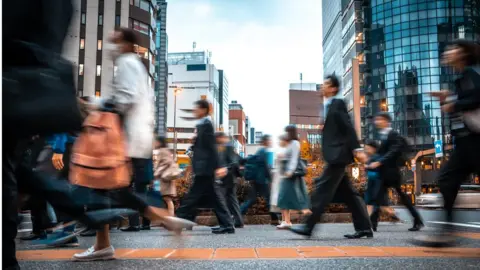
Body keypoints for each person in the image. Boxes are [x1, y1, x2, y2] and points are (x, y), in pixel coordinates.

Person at [73, 28, 194, 261]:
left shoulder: (127, 63)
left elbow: (126, 98)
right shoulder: (135, 65)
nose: (110, 45)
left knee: (104, 188)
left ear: (127, 44)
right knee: (109, 190)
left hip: (123, 139)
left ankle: (161, 220)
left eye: (115, 40)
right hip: (133, 138)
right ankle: (105, 243)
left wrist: (98, 105)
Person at [289, 75, 372, 239]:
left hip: (338, 156)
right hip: (335, 156)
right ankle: (364, 228)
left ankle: (308, 227)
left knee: (322, 191)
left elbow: (348, 127)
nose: (322, 87)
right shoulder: (326, 107)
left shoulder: (337, 104)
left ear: (333, 88)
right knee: (350, 195)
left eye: (326, 84)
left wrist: (357, 148)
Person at [416, 40, 480, 246]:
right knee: (446, 180)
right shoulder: (462, 77)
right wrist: (448, 98)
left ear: (462, 53)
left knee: (447, 180)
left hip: (475, 141)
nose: (448, 51)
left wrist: (453, 102)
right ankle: (447, 231)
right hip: (465, 143)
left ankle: (446, 232)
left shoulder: (471, 73)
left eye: (453, 49)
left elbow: (477, 97)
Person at [176, 100, 232, 233]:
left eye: (196, 108)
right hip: (204, 167)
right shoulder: (203, 124)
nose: (194, 111)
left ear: (203, 109)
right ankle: (227, 224)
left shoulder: (206, 124)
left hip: (206, 167)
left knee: (193, 196)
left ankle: (178, 220)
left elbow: (212, 147)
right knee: (213, 197)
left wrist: (218, 166)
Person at [368, 112, 424, 232]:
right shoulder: (383, 135)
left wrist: (379, 162)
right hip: (384, 173)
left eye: (380, 119)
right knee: (377, 197)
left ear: (387, 121)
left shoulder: (393, 135)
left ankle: (417, 220)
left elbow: (393, 151)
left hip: (392, 173)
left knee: (402, 197)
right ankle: (372, 223)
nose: (377, 122)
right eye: (377, 120)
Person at [240, 135, 281, 225]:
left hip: (257, 179)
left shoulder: (260, 151)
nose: (271, 142)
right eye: (270, 140)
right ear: (265, 141)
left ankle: (238, 215)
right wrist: (270, 179)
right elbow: (265, 167)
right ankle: (274, 219)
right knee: (268, 199)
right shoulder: (263, 151)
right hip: (261, 180)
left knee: (252, 199)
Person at [276, 126, 311, 229]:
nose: (285, 134)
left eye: (286, 132)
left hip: (290, 174)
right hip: (286, 174)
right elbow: (289, 157)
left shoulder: (295, 143)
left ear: (290, 132)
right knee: (284, 197)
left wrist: (290, 171)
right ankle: (286, 221)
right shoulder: (290, 144)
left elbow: (294, 159)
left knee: (285, 196)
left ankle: (306, 214)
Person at [363, 140, 400, 232]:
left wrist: (367, 166)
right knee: (373, 204)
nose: (366, 150)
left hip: (377, 183)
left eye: (367, 148)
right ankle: (370, 223)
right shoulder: (374, 157)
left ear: (373, 148)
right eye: (365, 148)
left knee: (376, 204)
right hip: (373, 183)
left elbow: (375, 168)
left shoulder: (377, 157)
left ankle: (371, 223)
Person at [212, 132, 244, 232]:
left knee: (219, 200)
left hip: (227, 178)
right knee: (232, 200)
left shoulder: (227, 146)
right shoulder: (227, 146)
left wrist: (225, 169)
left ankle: (226, 223)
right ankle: (237, 221)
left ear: (221, 138)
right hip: (230, 178)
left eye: (217, 139)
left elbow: (233, 161)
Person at [152, 136, 179, 217]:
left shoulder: (162, 151)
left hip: (163, 179)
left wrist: (156, 172)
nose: (154, 143)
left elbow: (165, 163)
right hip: (164, 179)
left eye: (156, 141)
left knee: (166, 199)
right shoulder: (165, 150)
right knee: (165, 199)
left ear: (159, 142)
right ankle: (168, 217)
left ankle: (170, 217)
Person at [269, 135, 288, 216]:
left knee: (280, 195)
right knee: (278, 195)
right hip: (278, 176)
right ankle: (283, 218)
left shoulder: (286, 150)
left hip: (282, 176)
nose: (279, 142)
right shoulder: (280, 150)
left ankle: (285, 219)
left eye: (280, 140)